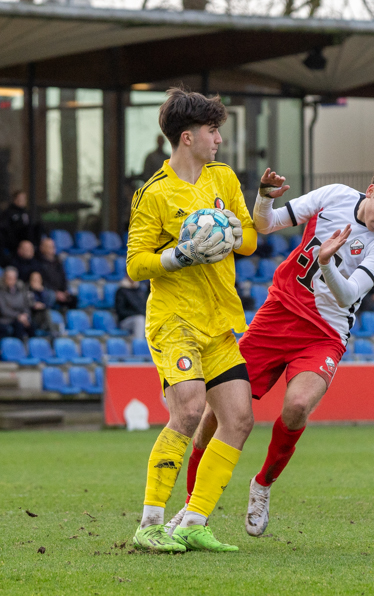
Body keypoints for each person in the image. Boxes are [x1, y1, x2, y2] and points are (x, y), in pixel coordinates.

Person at [179, 162, 374, 538]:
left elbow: (348, 295)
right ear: (372, 190)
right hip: (276, 316)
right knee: (215, 414)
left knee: (296, 406)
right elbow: (266, 224)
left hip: (325, 333)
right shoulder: (335, 196)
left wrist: (325, 263)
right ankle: (191, 506)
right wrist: (263, 197)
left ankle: (263, 484)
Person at [128, 87, 256, 553]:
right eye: (212, 130)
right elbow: (135, 264)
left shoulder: (224, 178)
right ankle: (149, 524)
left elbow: (249, 241)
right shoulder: (153, 194)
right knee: (187, 411)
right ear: (188, 137)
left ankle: (193, 522)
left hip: (218, 322)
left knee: (239, 419)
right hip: (174, 321)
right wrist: (179, 256)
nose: (219, 139)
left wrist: (230, 235)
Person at [0, 267, 34, 340]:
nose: (11, 280)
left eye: (13, 278)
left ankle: (33, 346)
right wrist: (18, 316)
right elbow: (3, 309)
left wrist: (25, 315)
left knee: (32, 325)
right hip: (7, 319)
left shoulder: (20, 289)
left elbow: (25, 305)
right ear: (4, 278)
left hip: (21, 318)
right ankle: (18, 345)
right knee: (19, 326)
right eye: (9, 278)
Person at [36, 237, 75, 309]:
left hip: (60, 291)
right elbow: (42, 282)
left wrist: (64, 290)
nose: (52, 249)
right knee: (50, 296)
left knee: (73, 298)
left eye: (53, 247)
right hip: (48, 291)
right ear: (42, 248)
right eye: (49, 247)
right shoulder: (38, 263)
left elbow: (63, 277)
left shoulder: (58, 261)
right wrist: (56, 292)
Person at [114, 277, 147, 341]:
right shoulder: (121, 290)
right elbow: (120, 311)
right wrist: (137, 313)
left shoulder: (139, 290)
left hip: (141, 317)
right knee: (139, 320)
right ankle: (139, 344)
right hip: (125, 321)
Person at [27, 271, 56, 336]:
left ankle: (52, 332)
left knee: (46, 312)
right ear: (30, 281)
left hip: (42, 315)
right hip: (31, 316)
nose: (36, 282)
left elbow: (49, 304)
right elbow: (28, 303)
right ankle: (53, 332)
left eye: (38, 280)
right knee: (46, 312)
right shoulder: (27, 290)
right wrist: (34, 304)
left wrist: (41, 291)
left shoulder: (44, 291)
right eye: (34, 280)